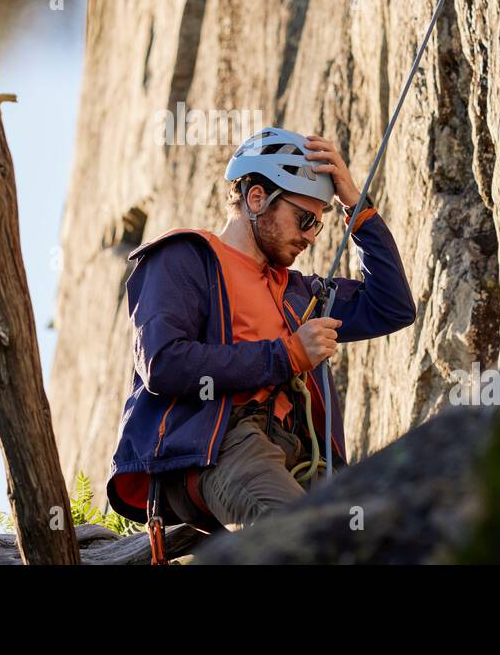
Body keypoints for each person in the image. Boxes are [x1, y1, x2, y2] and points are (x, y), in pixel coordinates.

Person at [105, 126, 417, 555]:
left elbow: (392, 306)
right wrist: (287, 355)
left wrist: (355, 205)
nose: (310, 236)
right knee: (305, 542)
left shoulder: (299, 292)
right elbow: (163, 363)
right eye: (304, 219)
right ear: (256, 199)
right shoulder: (184, 258)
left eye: (320, 226)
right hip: (216, 445)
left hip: (297, 454)